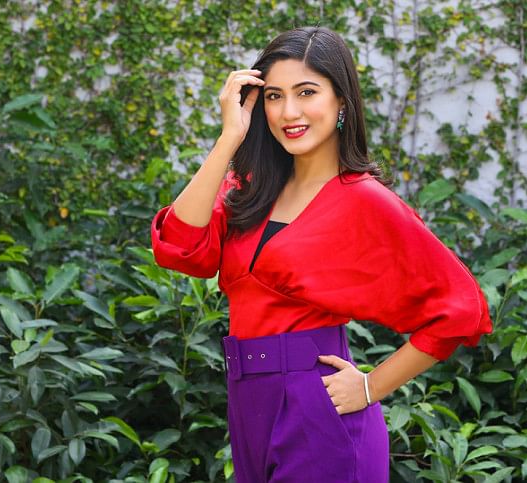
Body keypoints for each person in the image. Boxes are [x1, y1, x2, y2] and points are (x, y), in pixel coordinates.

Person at [150, 26, 492, 483]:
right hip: (248, 406)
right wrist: (230, 138)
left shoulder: (364, 200)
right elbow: (181, 249)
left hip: (319, 409)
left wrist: (370, 386)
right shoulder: (249, 188)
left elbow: (461, 311)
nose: (288, 112)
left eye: (306, 92)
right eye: (274, 96)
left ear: (341, 101)